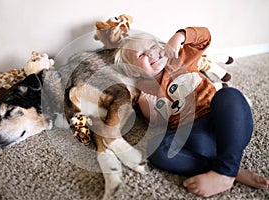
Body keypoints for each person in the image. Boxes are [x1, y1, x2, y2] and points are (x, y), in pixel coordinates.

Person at [114, 27, 269, 197]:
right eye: (141, 55)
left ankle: (225, 170)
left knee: (229, 95)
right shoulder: (143, 89)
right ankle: (229, 170)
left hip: (224, 123)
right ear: (133, 71)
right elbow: (159, 125)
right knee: (156, 147)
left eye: (152, 46)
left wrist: (179, 36)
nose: (150, 54)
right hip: (193, 136)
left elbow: (204, 37)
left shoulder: (180, 58)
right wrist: (149, 112)